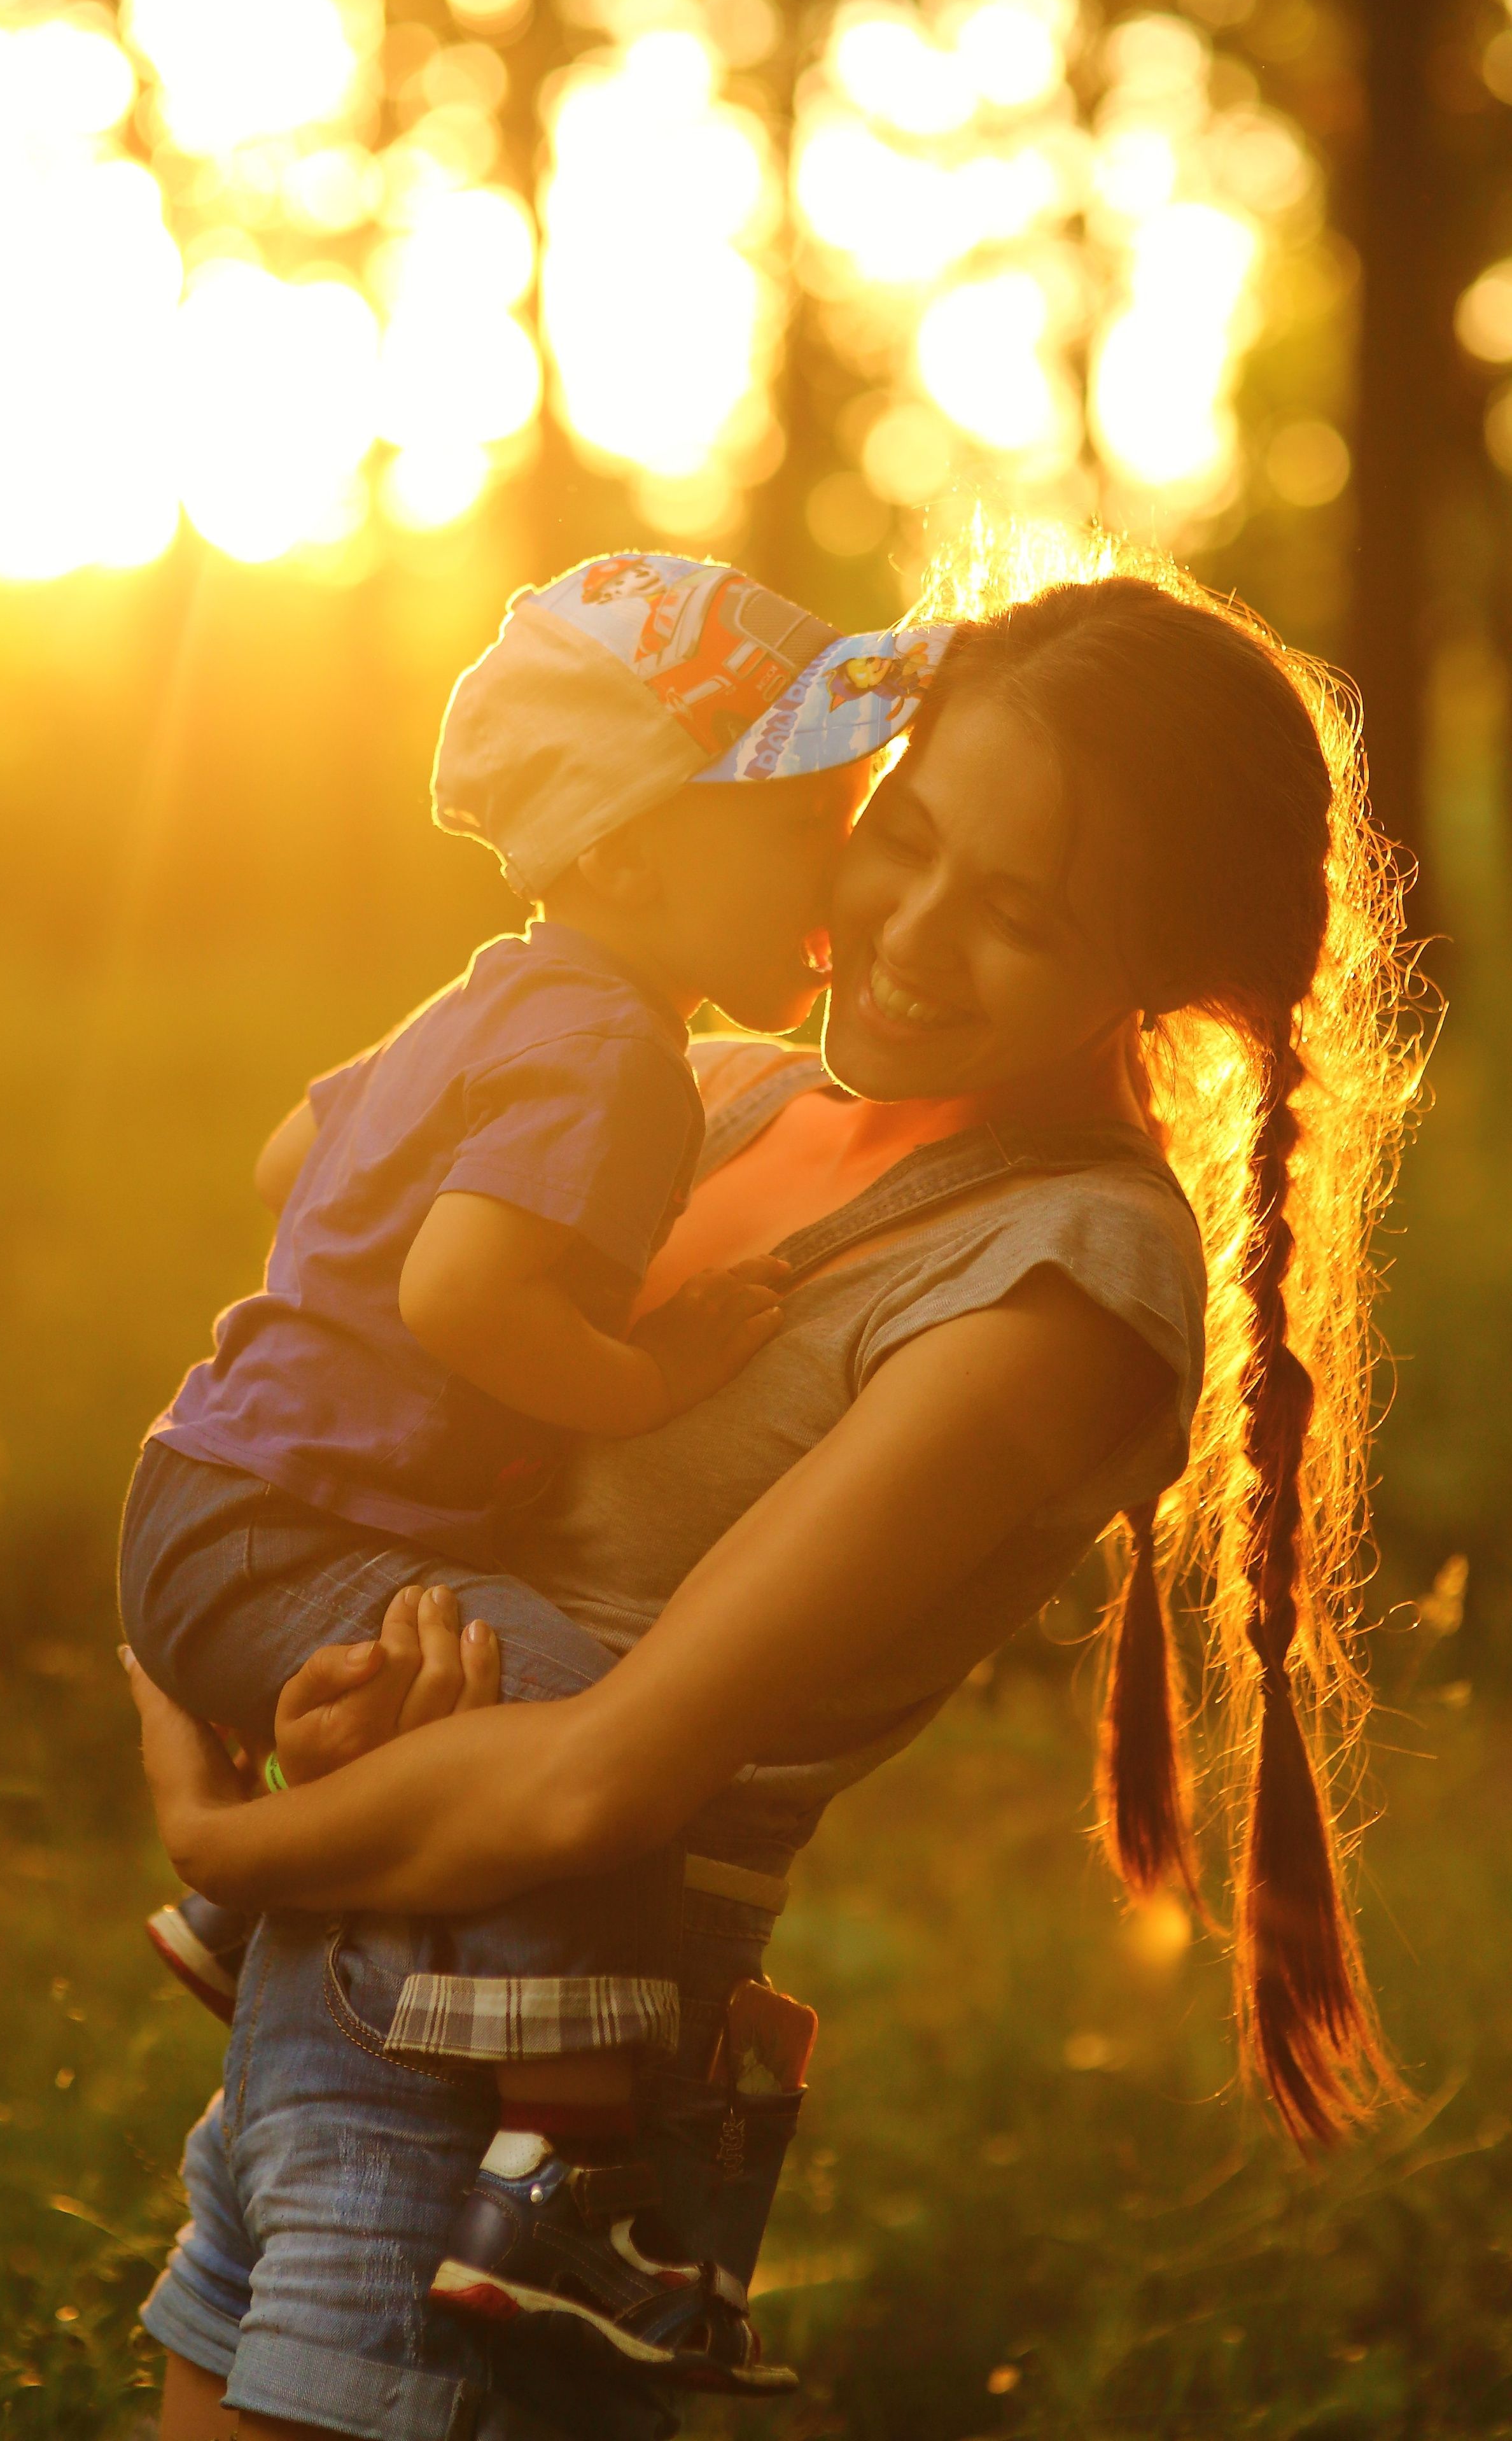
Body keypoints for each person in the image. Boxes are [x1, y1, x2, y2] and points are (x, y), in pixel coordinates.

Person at [127, 562, 1417, 2441]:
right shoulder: (696, 1085)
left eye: (1021, 916)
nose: (906, 936)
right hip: (317, 2020)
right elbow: (291, 1417)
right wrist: (270, 1707)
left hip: (519, 2115)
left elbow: (603, 1780)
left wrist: (217, 1836)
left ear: (1156, 965)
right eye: (906, 837)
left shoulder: (1063, 1279)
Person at [119, 547, 957, 2388]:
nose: (846, 856)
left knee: (481, 1688)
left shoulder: (496, 995)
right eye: (805, 813)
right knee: (577, 1694)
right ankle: (584, 2184)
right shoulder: (619, 1056)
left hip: (209, 1493)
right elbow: (460, 1289)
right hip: (287, 1526)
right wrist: (633, 1375)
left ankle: (248, 1896)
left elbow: (290, 1165)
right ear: (637, 851)